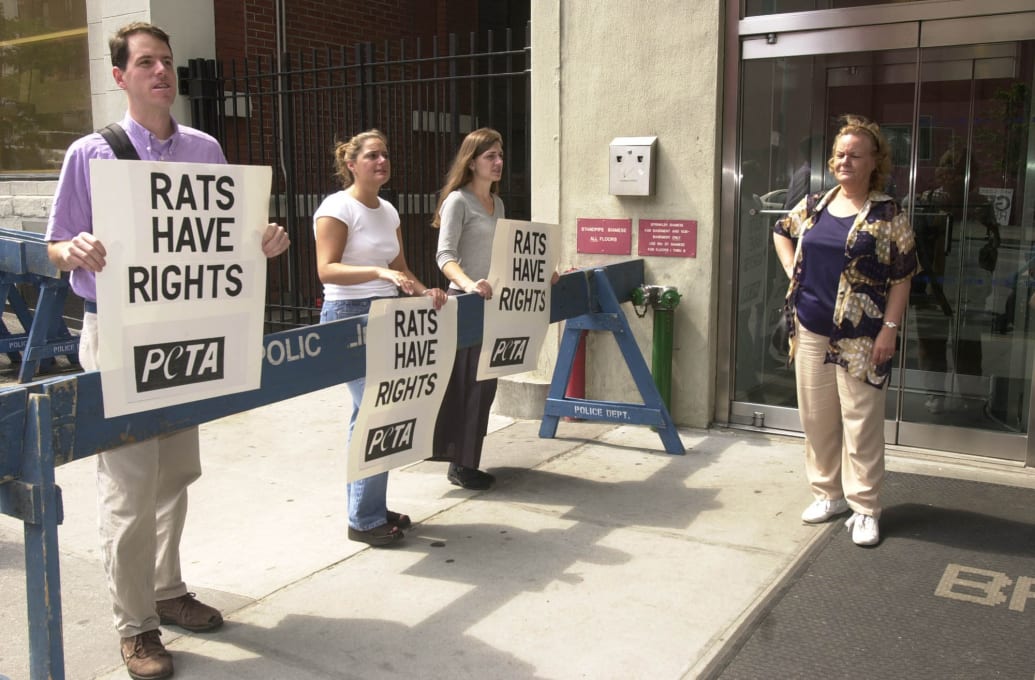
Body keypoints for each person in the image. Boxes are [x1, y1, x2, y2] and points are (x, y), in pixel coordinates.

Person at [45, 22, 290, 680]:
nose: (161, 72)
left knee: (176, 474)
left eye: (167, 62)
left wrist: (261, 242)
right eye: (146, 63)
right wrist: (75, 251)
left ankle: (166, 586)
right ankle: (136, 627)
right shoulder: (89, 154)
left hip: (185, 335)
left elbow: (222, 240)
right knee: (127, 486)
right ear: (120, 76)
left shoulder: (205, 149)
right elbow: (56, 243)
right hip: (117, 333)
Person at [772, 115, 918, 547]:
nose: (845, 161)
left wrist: (889, 330)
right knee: (817, 420)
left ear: (875, 161)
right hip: (812, 329)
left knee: (861, 423)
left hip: (863, 336)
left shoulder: (888, 213)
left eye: (855, 155)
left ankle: (866, 507)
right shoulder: (816, 205)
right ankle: (828, 494)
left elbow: (904, 275)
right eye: (839, 154)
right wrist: (792, 271)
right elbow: (782, 231)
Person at [314, 129, 446, 544]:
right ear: (351, 164)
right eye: (372, 156)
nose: (382, 161)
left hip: (386, 317)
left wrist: (426, 292)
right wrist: (377, 273)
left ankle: (370, 505)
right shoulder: (337, 207)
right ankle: (363, 518)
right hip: (346, 317)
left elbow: (401, 266)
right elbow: (326, 269)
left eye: (385, 155)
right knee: (375, 410)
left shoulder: (389, 211)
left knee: (384, 408)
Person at [430, 128, 507, 490]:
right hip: (465, 301)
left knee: (485, 386)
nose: (498, 162)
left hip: (491, 303)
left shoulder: (498, 203)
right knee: (465, 385)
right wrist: (468, 285)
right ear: (472, 161)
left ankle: (467, 460)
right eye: (490, 156)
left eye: (500, 155)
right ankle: (459, 463)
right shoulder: (458, 202)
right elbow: (445, 256)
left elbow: (506, 256)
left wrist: (541, 274)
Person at [910, 146, 999, 413]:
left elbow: (991, 246)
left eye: (960, 170)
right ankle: (935, 394)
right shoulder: (925, 200)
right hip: (932, 286)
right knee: (931, 343)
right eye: (948, 168)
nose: (952, 175)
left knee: (969, 345)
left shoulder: (981, 205)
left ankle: (970, 395)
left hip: (968, 287)